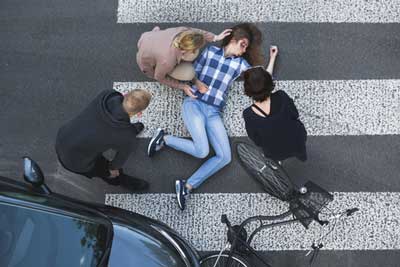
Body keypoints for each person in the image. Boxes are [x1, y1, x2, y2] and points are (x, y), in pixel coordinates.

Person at [147, 23, 265, 210]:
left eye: (246, 48)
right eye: (242, 44)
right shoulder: (209, 52)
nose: (243, 51)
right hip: (194, 103)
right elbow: (189, 72)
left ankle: (186, 186)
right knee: (202, 151)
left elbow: (263, 78)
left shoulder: (240, 65)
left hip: (214, 112)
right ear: (233, 39)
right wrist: (197, 83)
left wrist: (272, 58)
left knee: (224, 157)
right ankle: (165, 139)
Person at [55, 89, 152, 191]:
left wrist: (127, 131)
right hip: (76, 160)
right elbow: (118, 161)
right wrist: (111, 170)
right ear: (139, 113)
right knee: (107, 172)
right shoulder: (127, 137)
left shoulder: (107, 95)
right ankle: (120, 180)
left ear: (126, 94)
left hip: (64, 136)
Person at [242, 46, 307, 162]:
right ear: (269, 84)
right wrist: (273, 58)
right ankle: (302, 156)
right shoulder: (281, 97)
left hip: (274, 151)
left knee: (274, 155)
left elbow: (256, 139)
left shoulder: (248, 114)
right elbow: (295, 114)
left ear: (248, 90)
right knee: (300, 148)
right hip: (297, 140)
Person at [137, 26, 232, 98]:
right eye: (194, 49)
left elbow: (198, 33)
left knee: (192, 55)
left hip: (150, 38)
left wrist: (215, 37)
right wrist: (182, 86)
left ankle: (184, 58)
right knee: (189, 73)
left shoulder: (184, 32)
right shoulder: (166, 61)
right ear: (184, 51)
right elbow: (159, 77)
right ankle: (191, 75)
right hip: (149, 60)